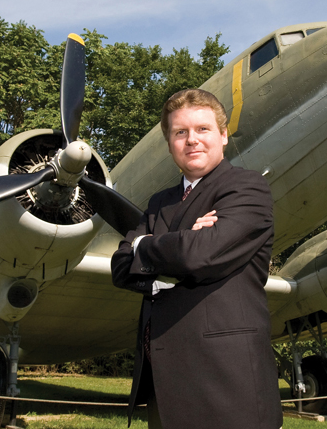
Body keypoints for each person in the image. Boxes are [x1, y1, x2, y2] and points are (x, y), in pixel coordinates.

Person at [111, 89, 283, 428]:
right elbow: (119, 267)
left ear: (222, 134)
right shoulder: (159, 202)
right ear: (170, 142)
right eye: (180, 132)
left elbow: (197, 257)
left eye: (203, 129)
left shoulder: (247, 188)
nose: (192, 140)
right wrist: (183, 242)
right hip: (164, 388)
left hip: (229, 387)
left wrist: (146, 246)